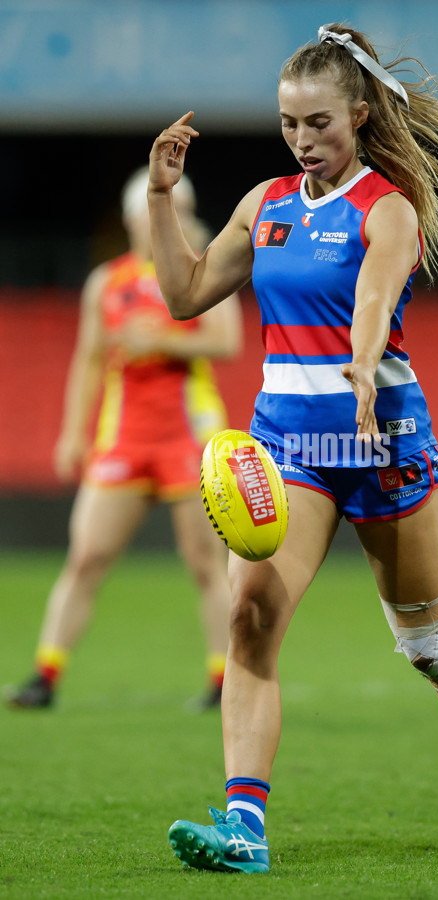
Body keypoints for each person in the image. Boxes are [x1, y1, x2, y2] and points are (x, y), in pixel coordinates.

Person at [148, 23, 438, 873]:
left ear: (359, 115)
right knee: (250, 620)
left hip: (382, 434)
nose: (303, 139)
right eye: (289, 123)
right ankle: (244, 831)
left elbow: (374, 296)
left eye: (318, 122)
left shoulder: (386, 207)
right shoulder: (265, 204)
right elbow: (183, 297)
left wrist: (363, 368)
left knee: (430, 648)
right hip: (290, 440)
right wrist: (158, 197)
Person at [5, 167, 242, 711]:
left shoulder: (201, 272)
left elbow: (227, 341)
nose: (178, 218)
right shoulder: (107, 283)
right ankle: (45, 674)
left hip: (190, 437)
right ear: (139, 215)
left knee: (206, 563)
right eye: (167, 208)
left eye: (184, 209)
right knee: (87, 556)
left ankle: (222, 681)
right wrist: (72, 432)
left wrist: (162, 336)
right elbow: (89, 360)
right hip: (125, 438)